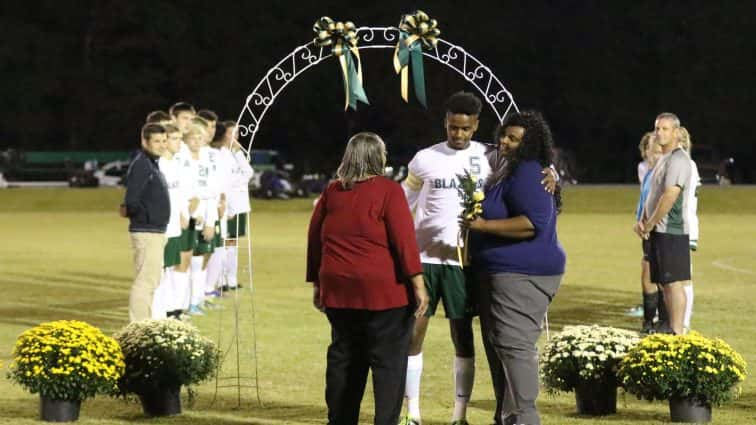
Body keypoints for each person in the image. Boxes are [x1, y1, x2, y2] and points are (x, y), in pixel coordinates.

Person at [400, 91, 557, 425]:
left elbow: (532, 163)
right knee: (414, 334)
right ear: (445, 123)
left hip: (464, 263)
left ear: (476, 126)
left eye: (465, 129)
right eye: (453, 127)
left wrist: (552, 175)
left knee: (464, 336)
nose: (458, 135)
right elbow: (402, 200)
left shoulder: (490, 157)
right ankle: (411, 414)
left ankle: (460, 416)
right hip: (425, 259)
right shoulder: (424, 158)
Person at [306, 132, 429, 425]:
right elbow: (404, 241)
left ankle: (339, 419)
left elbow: (315, 238)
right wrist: (418, 284)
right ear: (379, 157)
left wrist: (317, 283)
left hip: (339, 290)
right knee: (388, 364)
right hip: (384, 293)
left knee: (345, 359)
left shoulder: (332, 192)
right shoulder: (389, 191)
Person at [466, 111, 565, 425]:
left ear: (530, 144)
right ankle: (510, 416)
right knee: (504, 346)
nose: (504, 142)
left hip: (522, 273)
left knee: (515, 346)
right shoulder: (509, 168)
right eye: (504, 135)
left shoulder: (526, 172)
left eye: (513, 138)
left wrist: (483, 225)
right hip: (504, 272)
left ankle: (525, 416)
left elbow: (532, 223)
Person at [635, 112, 692, 336]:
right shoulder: (663, 159)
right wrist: (642, 220)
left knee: (673, 282)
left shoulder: (678, 159)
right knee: (664, 284)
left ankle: (677, 331)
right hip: (659, 230)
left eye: (665, 129)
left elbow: (670, 195)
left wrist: (649, 223)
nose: (660, 133)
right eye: (658, 128)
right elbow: (651, 194)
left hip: (671, 230)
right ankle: (669, 327)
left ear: (676, 133)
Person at [120, 123, 170, 322]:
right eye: (157, 141)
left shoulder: (151, 163)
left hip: (154, 230)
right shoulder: (142, 164)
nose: (162, 145)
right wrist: (147, 217)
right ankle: (139, 326)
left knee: (151, 280)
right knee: (145, 282)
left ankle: (143, 323)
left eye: (164, 141)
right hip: (148, 231)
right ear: (145, 141)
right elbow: (131, 201)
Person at [152, 123, 191, 319]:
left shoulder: (175, 164)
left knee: (168, 268)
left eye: (180, 139)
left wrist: (183, 213)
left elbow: (180, 194)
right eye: (175, 139)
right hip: (163, 227)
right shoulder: (159, 166)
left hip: (175, 225)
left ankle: (169, 310)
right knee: (160, 270)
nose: (179, 143)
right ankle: (159, 314)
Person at [634, 133, 668, 333]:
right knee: (647, 274)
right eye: (652, 152)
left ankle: (663, 322)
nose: (655, 156)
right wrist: (639, 220)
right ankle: (649, 322)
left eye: (658, 152)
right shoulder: (647, 173)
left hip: (661, 230)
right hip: (648, 230)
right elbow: (644, 201)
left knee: (662, 277)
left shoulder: (665, 174)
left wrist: (651, 223)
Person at [678, 127, 700, 333]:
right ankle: (676, 318)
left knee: (683, 276)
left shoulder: (686, 164)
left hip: (682, 226)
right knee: (674, 276)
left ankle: (683, 322)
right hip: (681, 225)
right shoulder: (687, 163)